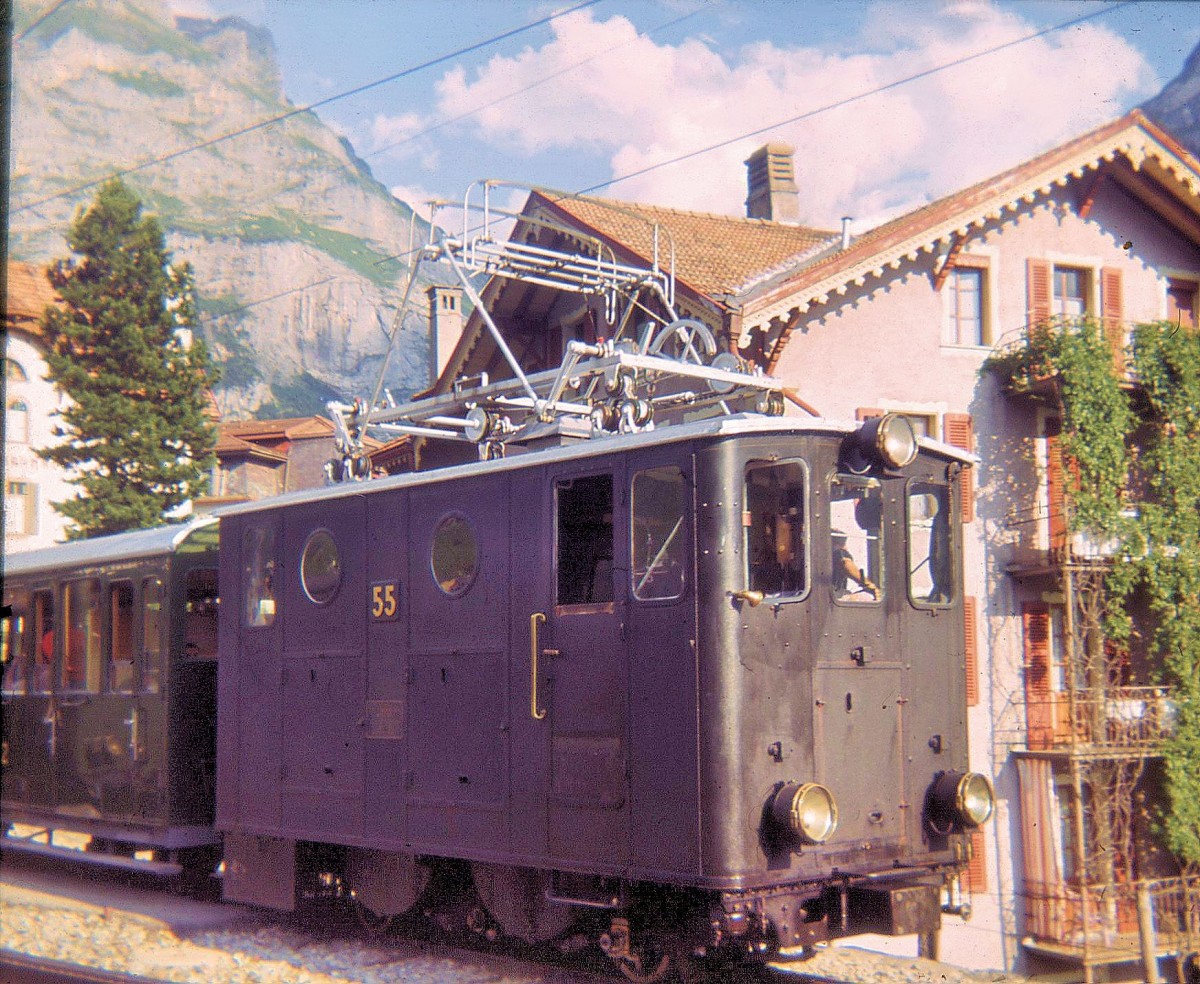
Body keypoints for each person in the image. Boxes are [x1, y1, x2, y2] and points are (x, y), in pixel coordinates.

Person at [832, 529, 877, 598]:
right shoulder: (838, 554)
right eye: (842, 544)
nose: (846, 548)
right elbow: (845, 562)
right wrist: (869, 585)